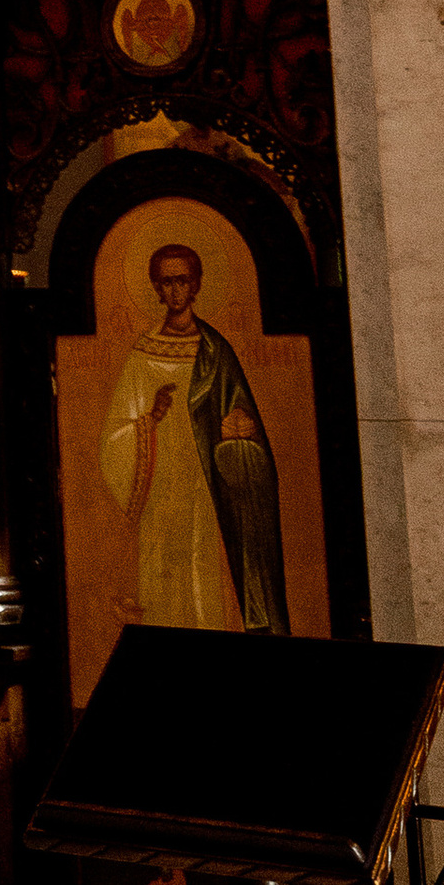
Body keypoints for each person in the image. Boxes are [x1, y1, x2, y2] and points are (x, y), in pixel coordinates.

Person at [100, 242, 288, 633]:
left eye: (182, 281)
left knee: (205, 566)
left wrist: (240, 428)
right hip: (161, 483)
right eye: (166, 282)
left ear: (196, 284)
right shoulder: (142, 353)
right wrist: (150, 419)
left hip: (207, 483)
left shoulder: (216, 352)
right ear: (156, 287)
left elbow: (242, 418)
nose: (175, 290)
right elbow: (115, 433)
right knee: (160, 569)